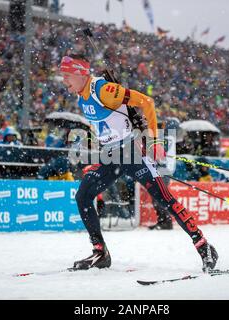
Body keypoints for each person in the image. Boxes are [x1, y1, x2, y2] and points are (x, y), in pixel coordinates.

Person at [59, 54, 218, 272]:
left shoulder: (103, 90)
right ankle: (100, 252)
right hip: (111, 156)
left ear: (81, 72)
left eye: (67, 75)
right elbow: (107, 126)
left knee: (165, 199)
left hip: (133, 153)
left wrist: (153, 142)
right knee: (83, 195)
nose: (64, 80)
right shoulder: (81, 96)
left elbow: (146, 102)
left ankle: (204, 247)